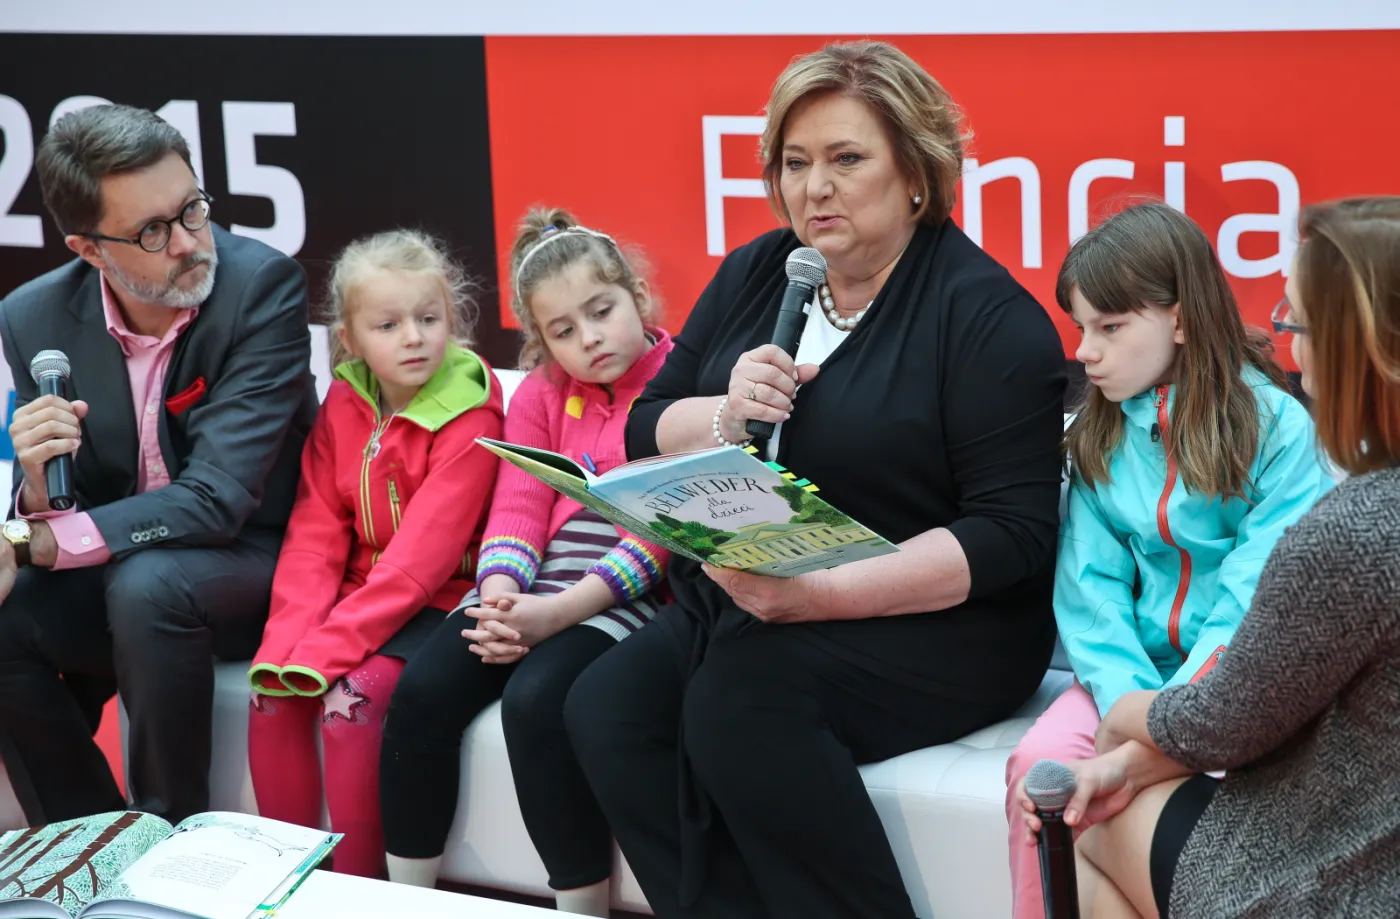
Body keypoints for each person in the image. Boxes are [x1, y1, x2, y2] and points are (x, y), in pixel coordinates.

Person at [563, 40, 1068, 919]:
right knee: (605, 708)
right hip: (756, 594)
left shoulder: (988, 318)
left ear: (917, 174)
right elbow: (647, 423)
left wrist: (820, 595)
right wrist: (727, 412)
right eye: (795, 163)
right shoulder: (762, 269)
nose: (815, 188)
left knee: (739, 704)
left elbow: (1011, 537)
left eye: (846, 159)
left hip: (941, 622)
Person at [1013, 196, 1400, 917]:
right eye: (1080, 327)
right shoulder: (1097, 434)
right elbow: (1091, 593)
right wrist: (1125, 697)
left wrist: (1133, 726)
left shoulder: (1316, 480)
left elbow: (1239, 687)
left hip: (1268, 756)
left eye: (1300, 324)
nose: (1289, 345)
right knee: (1045, 774)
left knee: (1081, 818)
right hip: (1157, 691)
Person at [0, 103, 317, 825]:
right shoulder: (32, 317)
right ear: (89, 249)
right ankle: (87, 833)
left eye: (192, 208)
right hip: (123, 566)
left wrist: (31, 541)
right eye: (151, 231)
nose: (187, 243)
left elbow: (218, 498)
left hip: (253, 557)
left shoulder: (261, 289)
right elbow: (66, 501)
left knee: (149, 583)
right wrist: (35, 487)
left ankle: (169, 833)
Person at [378, 208, 673, 916]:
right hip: (531, 588)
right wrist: (500, 597)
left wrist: (559, 613)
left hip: (621, 596)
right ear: (541, 341)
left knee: (538, 701)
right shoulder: (541, 392)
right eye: (562, 331)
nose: (589, 338)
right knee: (422, 691)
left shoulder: (681, 380)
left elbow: (667, 532)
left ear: (637, 294)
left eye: (601, 311)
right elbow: (517, 507)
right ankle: (405, 901)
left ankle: (580, 905)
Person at [245, 230, 504, 877]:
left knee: (349, 707)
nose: (413, 337)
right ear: (351, 340)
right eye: (388, 325)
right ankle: (282, 884)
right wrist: (288, 643)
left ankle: (358, 893)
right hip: (360, 597)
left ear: (451, 317)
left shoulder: (472, 416)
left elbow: (419, 565)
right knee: (270, 696)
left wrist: (328, 650)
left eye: (428, 318)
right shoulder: (345, 400)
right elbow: (314, 533)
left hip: (438, 603)